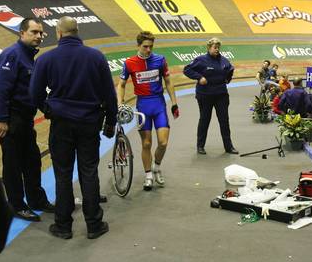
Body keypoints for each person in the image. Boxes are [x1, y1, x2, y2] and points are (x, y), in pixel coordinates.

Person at [29, 16, 117, 240]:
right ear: (78, 32)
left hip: (61, 125)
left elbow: (34, 94)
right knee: (89, 172)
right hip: (89, 123)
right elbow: (109, 93)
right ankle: (94, 225)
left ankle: (63, 226)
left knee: (63, 174)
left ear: (58, 33)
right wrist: (111, 121)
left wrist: (47, 110)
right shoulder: (96, 56)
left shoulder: (46, 59)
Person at [0, 18, 54, 222]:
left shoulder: (30, 56)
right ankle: (16, 205)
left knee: (32, 160)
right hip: (12, 119)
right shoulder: (12, 55)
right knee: (13, 165)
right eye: (34, 32)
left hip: (26, 119)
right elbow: (1, 90)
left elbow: (34, 90)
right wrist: (2, 119)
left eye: (40, 33)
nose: (38, 36)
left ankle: (36, 200)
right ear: (22, 33)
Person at [117, 31, 179, 191]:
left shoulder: (160, 60)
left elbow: (168, 81)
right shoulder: (129, 63)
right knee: (146, 143)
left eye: (151, 46)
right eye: (145, 47)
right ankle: (148, 175)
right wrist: (120, 103)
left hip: (158, 104)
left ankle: (157, 166)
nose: (149, 50)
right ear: (138, 45)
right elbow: (121, 84)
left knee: (163, 142)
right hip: (143, 106)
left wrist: (174, 103)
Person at [183, 37, 238, 155]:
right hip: (205, 95)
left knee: (224, 121)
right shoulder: (201, 60)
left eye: (218, 47)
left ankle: (229, 147)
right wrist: (199, 77)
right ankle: (200, 146)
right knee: (204, 120)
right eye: (215, 47)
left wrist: (228, 78)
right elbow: (187, 70)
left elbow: (230, 70)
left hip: (221, 95)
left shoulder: (224, 60)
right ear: (209, 48)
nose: (217, 49)